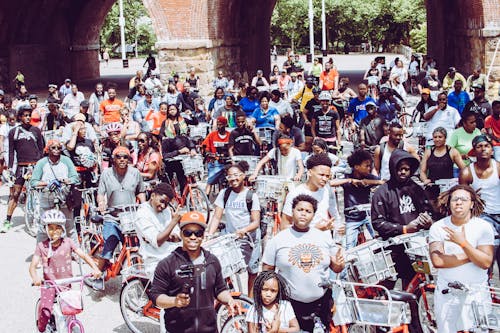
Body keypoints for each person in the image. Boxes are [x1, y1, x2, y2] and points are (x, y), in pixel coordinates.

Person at [262, 194, 344, 331]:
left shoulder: (323, 238)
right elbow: (266, 273)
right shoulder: (278, 240)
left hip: (320, 306)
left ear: (313, 215)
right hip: (289, 305)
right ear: (292, 211)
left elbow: (336, 267)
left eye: (308, 211)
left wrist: (339, 264)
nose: (303, 214)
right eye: (300, 210)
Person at [148, 211, 240, 333]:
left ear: (203, 235)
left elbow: (220, 289)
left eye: (198, 233)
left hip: (209, 330)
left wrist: (229, 300)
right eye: (188, 233)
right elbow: (156, 296)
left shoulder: (212, 261)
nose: (193, 237)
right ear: (181, 234)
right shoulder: (167, 264)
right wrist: (175, 301)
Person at [429, 184, 494, 333]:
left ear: (471, 204)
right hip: (448, 293)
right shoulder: (438, 227)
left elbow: (485, 262)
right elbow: (438, 261)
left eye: (464, 199)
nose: (459, 202)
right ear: (449, 202)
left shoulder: (483, 227)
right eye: (455, 199)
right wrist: (473, 253)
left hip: (476, 293)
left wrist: (462, 243)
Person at [29, 209, 101, 333]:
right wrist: (35, 277)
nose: (54, 231)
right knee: (46, 312)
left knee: (71, 311)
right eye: (50, 228)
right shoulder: (42, 246)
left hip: (66, 285)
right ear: (45, 229)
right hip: (49, 286)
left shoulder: (68, 242)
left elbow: (83, 255)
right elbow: (33, 266)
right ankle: (42, 328)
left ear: (62, 228)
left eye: (57, 228)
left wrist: (95, 268)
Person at [371, 149, 433, 287]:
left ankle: (413, 308)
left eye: (407, 169)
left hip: (413, 248)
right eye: (400, 169)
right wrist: (404, 229)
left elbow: (427, 209)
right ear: (393, 168)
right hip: (391, 248)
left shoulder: (416, 189)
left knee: (414, 286)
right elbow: (377, 222)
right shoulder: (382, 193)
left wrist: (428, 221)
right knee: (386, 287)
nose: (403, 172)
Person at [86, 147, 146, 287]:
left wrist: (144, 206)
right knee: (109, 246)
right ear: (114, 159)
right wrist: (101, 203)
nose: (122, 160)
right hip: (112, 217)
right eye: (119, 157)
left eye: (125, 157)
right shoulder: (106, 174)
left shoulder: (135, 173)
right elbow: (100, 193)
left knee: (137, 245)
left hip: (130, 218)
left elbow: (140, 191)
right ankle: (97, 275)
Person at [208, 161, 262, 295]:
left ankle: (251, 301)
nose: (233, 178)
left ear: (243, 176)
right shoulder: (224, 194)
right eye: (230, 176)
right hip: (231, 239)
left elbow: (256, 222)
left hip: (250, 239)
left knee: (252, 271)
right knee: (227, 268)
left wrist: (244, 230)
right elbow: (216, 217)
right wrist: (209, 234)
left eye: (237, 175)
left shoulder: (251, 196)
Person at [459, 134, 500, 270]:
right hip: (483, 216)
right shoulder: (467, 172)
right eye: (479, 146)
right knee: (487, 256)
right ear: (474, 151)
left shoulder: (498, 168)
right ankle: (485, 287)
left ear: (492, 150)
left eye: (487, 146)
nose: (483, 149)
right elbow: (462, 198)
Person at [1, 106, 44, 232]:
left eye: (29, 115)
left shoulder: (36, 130)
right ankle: (8, 221)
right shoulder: (13, 132)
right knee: (15, 194)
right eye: (25, 115)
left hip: (35, 166)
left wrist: (41, 166)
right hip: (21, 167)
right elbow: (11, 152)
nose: (28, 117)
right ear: (20, 117)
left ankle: (39, 220)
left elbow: (41, 150)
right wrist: (9, 168)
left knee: (38, 195)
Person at [30, 139, 80, 243]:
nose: (56, 150)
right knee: (43, 227)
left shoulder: (66, 161)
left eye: (59, 148)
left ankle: (75, 253)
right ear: (47, 149)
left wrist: (67, 180)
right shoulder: (42, 163)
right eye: (53, 147)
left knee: (69, 226)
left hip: (64, 197)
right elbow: (33, 182)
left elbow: (75, 177)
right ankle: (40, 253)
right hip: (47, 196)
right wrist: (47, 183)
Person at [281, 153, 342, 231]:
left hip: (323, 240)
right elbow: (284, 226)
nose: (324, 179)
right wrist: (314, 229)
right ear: (309, 173)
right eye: (321, 175)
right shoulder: (295, 194)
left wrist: (336, 226)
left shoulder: (325, 191)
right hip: (304, 242)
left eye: (327, 176)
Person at [336, 150, 383, 249]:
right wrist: (350, 181)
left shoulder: (369, 177)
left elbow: (383, 182)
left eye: (370, 166)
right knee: (350, 247)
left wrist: (367, 182)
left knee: (379, 240)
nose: (369, 168)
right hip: (351, 218)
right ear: (356, 167)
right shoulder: (347, 177)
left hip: (367, 216)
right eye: (366, 166)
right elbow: (331, 182)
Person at [135, 183, 182, 276]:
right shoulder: (142, 214)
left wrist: (166, 236)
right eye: (162, 201)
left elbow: (178, 237)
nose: (163, 206)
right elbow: (158, 241)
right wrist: (173, 222)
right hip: (155, 260)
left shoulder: (166, 211)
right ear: (153, 196)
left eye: (167, 204)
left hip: (172, 255)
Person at [420, 127, 465, 217]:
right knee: (433, 211)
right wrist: (425, 180)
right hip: (432, 186)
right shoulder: (429, 151)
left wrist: (458, 183)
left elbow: (464, 169)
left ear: (445, 138)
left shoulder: (452, 151)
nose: (437, 139)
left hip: (448, 188)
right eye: (435, 137)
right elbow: (422, 171)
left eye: (440, 137)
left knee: (445, 211)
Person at [160, 104, 198, 191]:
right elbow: (161, 133)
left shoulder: (182, 120)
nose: (172, 111)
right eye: (170, 110)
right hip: (171, 147)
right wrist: (164, 138)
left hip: (183, 145)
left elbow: (195, 122)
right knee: (170, 177)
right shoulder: (165, 122)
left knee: (183, 178)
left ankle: (185, 201)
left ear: (177, 110)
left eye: (173, 109)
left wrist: (191, 114)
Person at [202, 116, 230, 197]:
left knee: (224, 179)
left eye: (221, 124)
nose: (219, 126)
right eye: (218, 124)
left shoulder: (229, 135)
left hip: (225, 161)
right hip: (214, 161)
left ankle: (222, 197)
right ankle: (206, 198)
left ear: (225, 125)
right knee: (210, 180)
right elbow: (205, 146)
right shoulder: (212, 135)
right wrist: (209, 153)